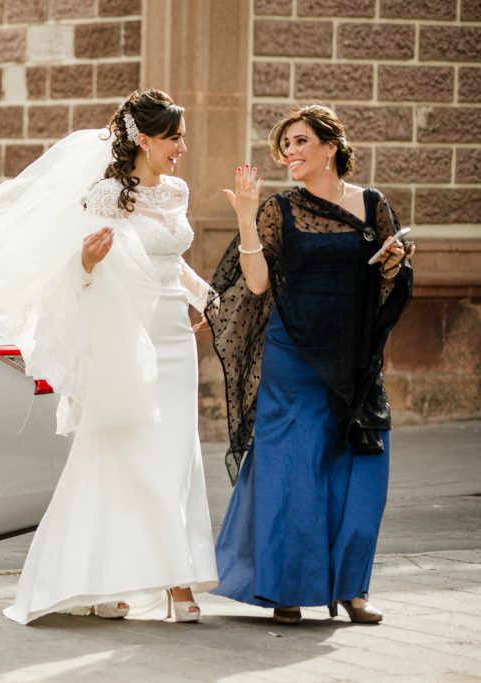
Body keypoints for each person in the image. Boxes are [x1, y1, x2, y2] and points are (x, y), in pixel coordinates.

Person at [0, 89, 219, 625]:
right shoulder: (107, 194)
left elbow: (172, 258)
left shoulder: (177, 190)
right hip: (124, 332)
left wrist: (206, 295)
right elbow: (74, 272)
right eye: (174, 137)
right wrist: (88, 265)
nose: (182, 147)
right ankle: (100, 579)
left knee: (176, 455)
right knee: (119, 451)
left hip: (173, 337)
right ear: (144, 138)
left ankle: (177, 581)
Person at [207, 105, 413, 625]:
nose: (291, 154)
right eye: (286, 146)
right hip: (293, 357)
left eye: (301, 142)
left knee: (360, 469)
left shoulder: (372, 204)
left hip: (354, 358)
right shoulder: (280, 209)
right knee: (292, 469)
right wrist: (245, 216)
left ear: (330, 146)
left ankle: (352, 590)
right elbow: (255, 282)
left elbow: (392, 278)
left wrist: (395, 262)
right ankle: (287, 588)